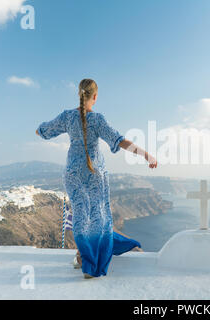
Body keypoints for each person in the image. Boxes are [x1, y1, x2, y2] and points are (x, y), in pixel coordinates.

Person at [36, 79, 157, 278]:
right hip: (95, 174)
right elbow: (121, 141)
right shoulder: (98, 119)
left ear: (79, 94)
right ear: (95, 96)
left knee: (81, 217)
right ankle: (89, 262)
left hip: (73, 172)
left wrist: (40, 130)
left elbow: (43, 131)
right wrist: (145, 154)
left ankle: (82, 256)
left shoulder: (67, 117)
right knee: (98, 219)